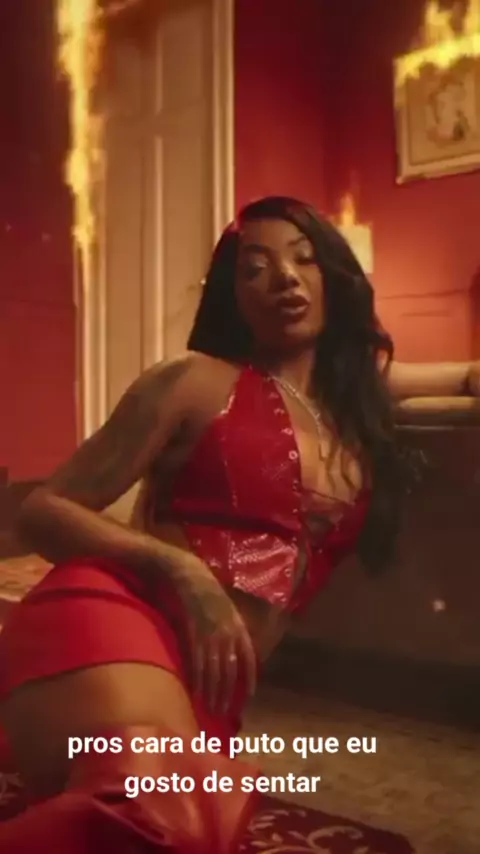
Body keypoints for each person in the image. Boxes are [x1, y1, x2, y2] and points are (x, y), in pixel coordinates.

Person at [0, 195, 478, 853]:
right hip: (115, 616)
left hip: (205, 688)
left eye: (304, 259)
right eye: (255, 268)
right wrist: (181, 570)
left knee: (195, 823)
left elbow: (468, 376)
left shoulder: (359, 399)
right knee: (158, 817)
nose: (284, 278)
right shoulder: (192, 382)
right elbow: (42, 510)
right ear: (232, 295)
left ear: (333, 277)